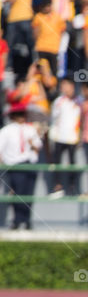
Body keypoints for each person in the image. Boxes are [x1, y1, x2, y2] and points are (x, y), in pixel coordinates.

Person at [0, 98, 42, 230]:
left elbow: (37, 146)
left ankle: (27, 220)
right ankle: (17, 220)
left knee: (28, 194)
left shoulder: (30, 129)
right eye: (19, 115)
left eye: (23, 114)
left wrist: (32, 142)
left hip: (29, 164)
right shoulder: (6, 131)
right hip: (14, 165)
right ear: (13, 116)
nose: (21, 117)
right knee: (17, 194)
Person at [47, 78, 81, 199]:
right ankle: (57, 187)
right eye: (63, 85)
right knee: (57, 163)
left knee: (72, 163)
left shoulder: (78, 101)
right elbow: (54, 119)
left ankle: (73, 188)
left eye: (67, 85)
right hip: (59, 137)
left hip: (72, 137)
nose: (65, 88)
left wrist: (79, 137)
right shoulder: (58, 102)